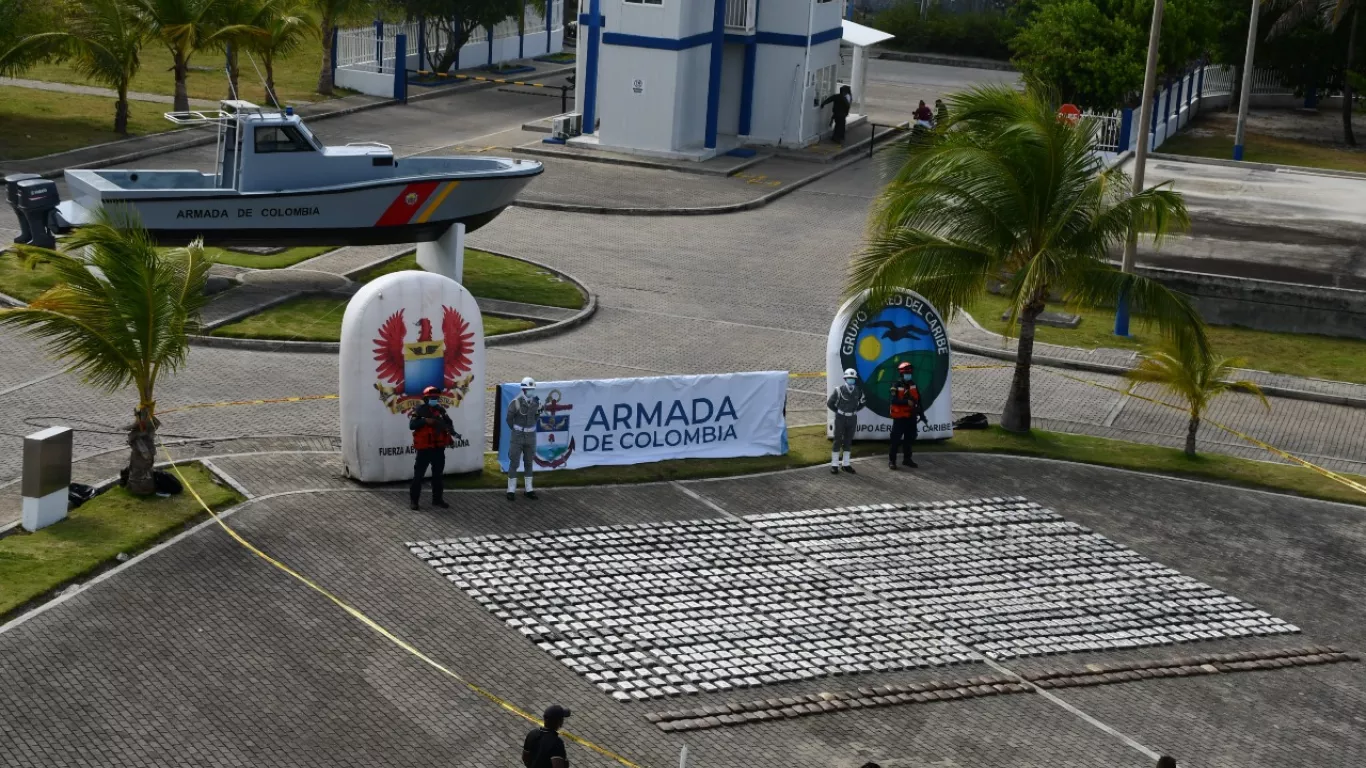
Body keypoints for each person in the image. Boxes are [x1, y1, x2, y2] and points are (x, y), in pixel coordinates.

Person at [409, 385, 459, 510]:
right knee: (418, 476)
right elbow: (412, 425)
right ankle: (414, 502)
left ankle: (437, 500)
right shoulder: (419, 410)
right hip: (424, 449)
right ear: (426, 399)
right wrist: (425, 421)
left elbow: (448, 424)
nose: (435, 400)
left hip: (438, 448)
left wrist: (450, 437)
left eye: (436, 398)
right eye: (432, 398)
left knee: (438, 476)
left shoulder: (441, 410)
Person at [506, 376, 543, 501]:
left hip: (530, 437)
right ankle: (511, 490)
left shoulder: (537, 402)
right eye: (528, 389)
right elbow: (509, 419)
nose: (531, 391)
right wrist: (516, 430)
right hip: (518, 436)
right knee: (514, 462)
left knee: (528, 463)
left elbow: (537, 417)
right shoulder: (515, 402)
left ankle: (529, 489)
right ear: (523, 389)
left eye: (532, 389)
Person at [888, 361, 930, 470]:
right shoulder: (895, 385)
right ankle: (892, 461)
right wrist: (906, 402)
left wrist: (922, 414)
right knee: (895, 440)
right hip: (900, 418)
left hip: (911, 417)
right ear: (901, 374)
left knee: (909, 439)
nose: (908, 375)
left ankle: (907, 459)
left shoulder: (913, 384)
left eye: (910, 373)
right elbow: (893, 400)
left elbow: (918, 400)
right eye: (906, 373)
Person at [827, 368, 866, 475]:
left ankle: (846, 464)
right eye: (849, 378)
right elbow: (830, 403)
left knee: (848, 441)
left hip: (852, 418)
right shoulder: (838, 390)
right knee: (837, 440)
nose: (851, 380)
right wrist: (838, 411)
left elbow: (863, 402)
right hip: (840, 418)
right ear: (845, 378)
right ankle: (834, 464)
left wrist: (855, 410)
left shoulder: (858, 390)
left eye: (853, 378)